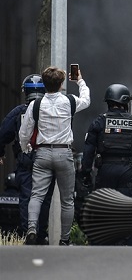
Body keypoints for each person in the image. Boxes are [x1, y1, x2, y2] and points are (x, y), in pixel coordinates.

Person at [18, 66, 91, 246]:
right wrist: (80, 80)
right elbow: (87, 100)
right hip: (64, 153)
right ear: (61, 84)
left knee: (36, 195)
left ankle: (32, 228)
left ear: (44, 84)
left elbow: (24, 131)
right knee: (67, 200)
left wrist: (25, 146)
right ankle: (64, 240)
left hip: (42, 154)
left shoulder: (36, 104)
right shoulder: (70, 101)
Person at [0, 75, 55, 243]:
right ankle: (41, 234)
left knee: (27, 198)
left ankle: (28, 233)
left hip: (26, 162)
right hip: (48, 160)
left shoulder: (18, 112)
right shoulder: (53, 110)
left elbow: (3, 134)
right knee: (44, 198)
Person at [81, 84, 132, 198]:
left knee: (104, 206)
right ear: (125, 101)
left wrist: (85, 173)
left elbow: (89, 150)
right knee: (124, 208)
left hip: (105, 170)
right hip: (127, 171)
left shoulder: (99, 122)